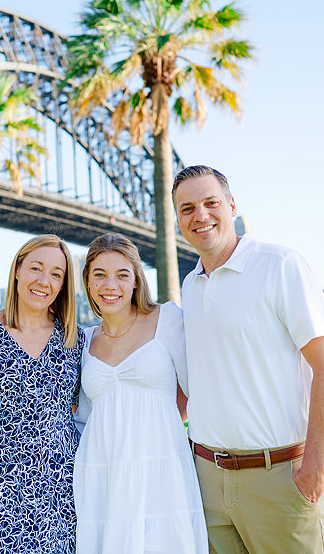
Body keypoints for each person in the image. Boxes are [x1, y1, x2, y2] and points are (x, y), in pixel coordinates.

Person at [172, 165, 324, 554]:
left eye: (210, 203)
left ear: (232, 205)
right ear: (178, 219)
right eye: (187, 209)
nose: (200, 216)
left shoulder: (279, 265)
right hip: (206, 479)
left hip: (278, 477)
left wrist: (313, 474)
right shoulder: (192, 283)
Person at [73, 233, 207, 554]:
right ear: (88, 283)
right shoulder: (84, 340)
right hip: (101, 472)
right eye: (99, 275)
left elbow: (196, 393)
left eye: (122, 275)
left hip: (160, 468)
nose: (110, 285)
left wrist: (157, 428)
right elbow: (84, 417)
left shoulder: (167, 319)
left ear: (136, 280)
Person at [0, 234, 84, 554]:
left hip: (61, 486)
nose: (44, 281)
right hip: (2, 486)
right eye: (36, 268)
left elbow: (72, 409)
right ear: (17, 269)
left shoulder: (74, 338)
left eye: (56, 274)